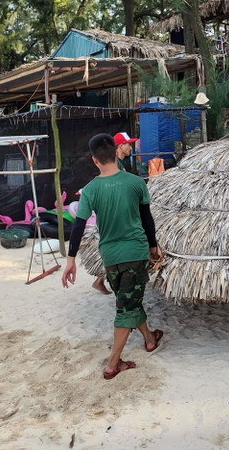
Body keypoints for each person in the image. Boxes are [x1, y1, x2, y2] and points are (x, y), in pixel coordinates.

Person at [62, 134, 164, 380]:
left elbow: (78, 226)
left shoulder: (91, 190)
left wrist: (71, 259)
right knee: (125, 308)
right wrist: (153, 247)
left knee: (127, 299)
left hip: (110, 255)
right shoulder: (135, 183)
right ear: (115, 153)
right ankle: (112, 365)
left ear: (95, 160)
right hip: (135, 252)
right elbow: (147, 219)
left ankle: (150, 339)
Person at [88, 131, 142, 295]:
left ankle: (99, 280)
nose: (130, 146)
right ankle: (101, 280)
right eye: (127, 144)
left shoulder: (120, 165)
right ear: (119, 146)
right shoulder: (116, 166)